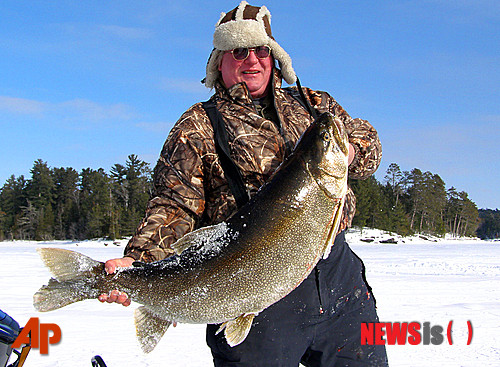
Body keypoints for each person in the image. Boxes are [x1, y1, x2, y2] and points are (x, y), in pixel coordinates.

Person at [99, 2, 388, 366]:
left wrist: (348, 150)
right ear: (219, 61)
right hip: (249, 285)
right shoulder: (198, 125)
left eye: (261, 49)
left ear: (274, 55)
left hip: (339, 284)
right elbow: (174, 204)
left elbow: (368, 142)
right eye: (238, 51)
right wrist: (139, 260)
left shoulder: (315, 105)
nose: (251, 59)